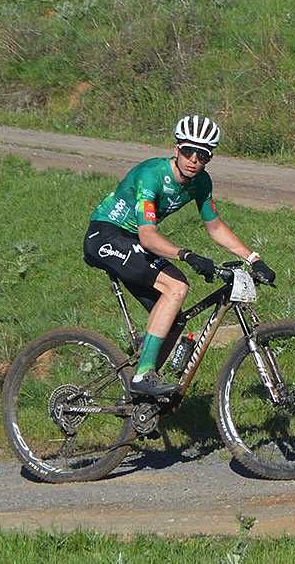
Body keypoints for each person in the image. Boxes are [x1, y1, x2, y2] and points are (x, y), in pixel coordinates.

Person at [83, 115, 274, 398]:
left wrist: (254, 258)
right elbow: (148, 236)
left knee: (176, 321)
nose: (193, 160)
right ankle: (143, 377)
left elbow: (216, 227)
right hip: (107, 235)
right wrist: (186, 254)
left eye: (203, 155)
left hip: (134, 241)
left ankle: (141, 396)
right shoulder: (152, 174)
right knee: (177, 286)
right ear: (176, 149)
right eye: (188, 151)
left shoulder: (200, 183)